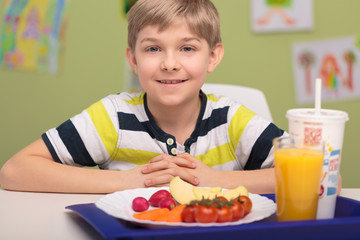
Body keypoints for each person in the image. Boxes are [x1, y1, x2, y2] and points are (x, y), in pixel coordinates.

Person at [0, 0, 286, 194]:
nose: (170, 63)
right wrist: (125, 181)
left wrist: (215, 180)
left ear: (212, 56)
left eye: (187, 48)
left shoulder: (231, 120)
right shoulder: (113, 118)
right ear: (132, 59)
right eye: (153, 49)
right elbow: (13, 171)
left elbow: (323, 177)